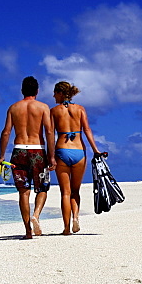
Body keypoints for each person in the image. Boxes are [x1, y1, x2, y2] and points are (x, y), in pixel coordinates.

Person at [0, 76, 55, 239]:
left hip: (19, 152)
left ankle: (28, 231)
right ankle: (36, 215)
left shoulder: (13, 108)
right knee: (42, 188)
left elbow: (6, 132)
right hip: (38, 152)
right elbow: (49, 132)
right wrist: (51, 156)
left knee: (23, 192)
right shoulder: (43, 107)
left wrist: (2, 155)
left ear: (22, 90)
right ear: (37, 90)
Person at [50, 81, 104, 235]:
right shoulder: (80, 109)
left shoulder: (54, 111)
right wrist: (96, 150)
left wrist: (50, 156)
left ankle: (66, 228)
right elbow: (87, 130)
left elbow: (50, 135)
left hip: (62, 150)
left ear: (60, 93)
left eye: (55, 93)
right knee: (75, 191)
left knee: (65, 193)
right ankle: (76, 217)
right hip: (79, 151)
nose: (53, 96)